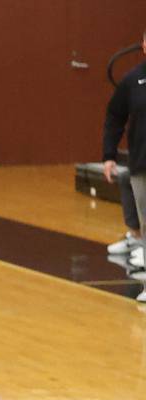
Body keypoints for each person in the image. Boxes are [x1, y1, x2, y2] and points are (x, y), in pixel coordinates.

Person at [102, 26, 146, 296]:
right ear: (143, 46)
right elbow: (114, 116)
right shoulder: (133, 81)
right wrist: (108, 155)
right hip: (142, 165)